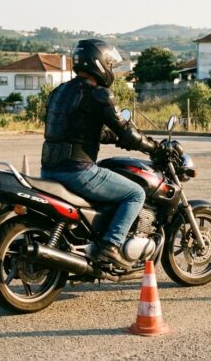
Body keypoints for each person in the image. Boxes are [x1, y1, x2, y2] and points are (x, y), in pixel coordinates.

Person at [40, 39, 159, 268]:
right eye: (110, 63)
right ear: (100, 63)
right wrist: (153, 146)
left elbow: (81, 129)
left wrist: (114, 138)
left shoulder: (59, 92)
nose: (111, 68)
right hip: (77, 172)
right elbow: (127, 132)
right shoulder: (98, 94)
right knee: (135, 193)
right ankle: (111, 246)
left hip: (49, 171)